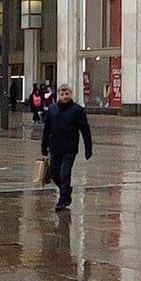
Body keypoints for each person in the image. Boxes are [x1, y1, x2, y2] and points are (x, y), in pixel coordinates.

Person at [40, 83, 93, 213]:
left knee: (65, 173)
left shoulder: (77, 110)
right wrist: (44, 145)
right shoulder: (52, 109)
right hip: (55, 147)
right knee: (54, 174)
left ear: (71, 94)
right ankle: (66, 190)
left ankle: (62, 200)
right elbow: (47, 129)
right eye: (62, 94)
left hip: (70, 148)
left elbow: (85, 129)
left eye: (67, 94)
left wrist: (88, 148)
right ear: (59, 95)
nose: (64, 97)